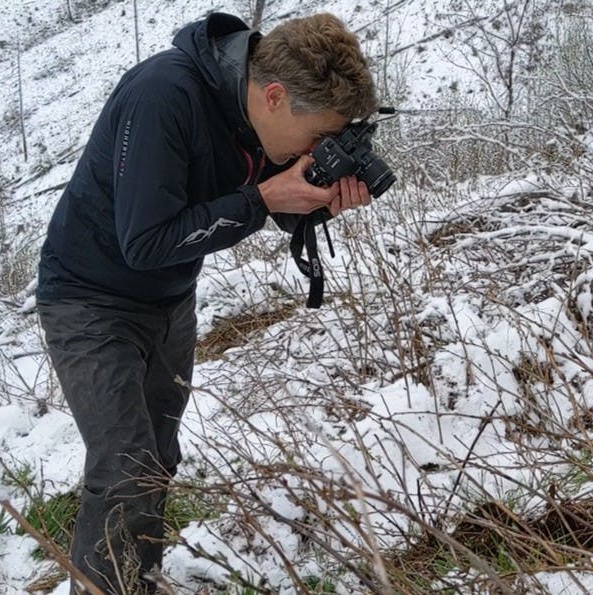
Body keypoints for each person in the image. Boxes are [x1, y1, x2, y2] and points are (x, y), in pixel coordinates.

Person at [36, 10, 378, 594]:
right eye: (319, 135)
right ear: (274, 96)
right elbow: (145, 242)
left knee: (156, 460)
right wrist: (265, 198)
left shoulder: (255, 115)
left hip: (168, 300)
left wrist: (313, 199)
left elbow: (249, 200)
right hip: (89, 299)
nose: (317, 147)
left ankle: (134, 580)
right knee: (124, 468)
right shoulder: (163, 97)